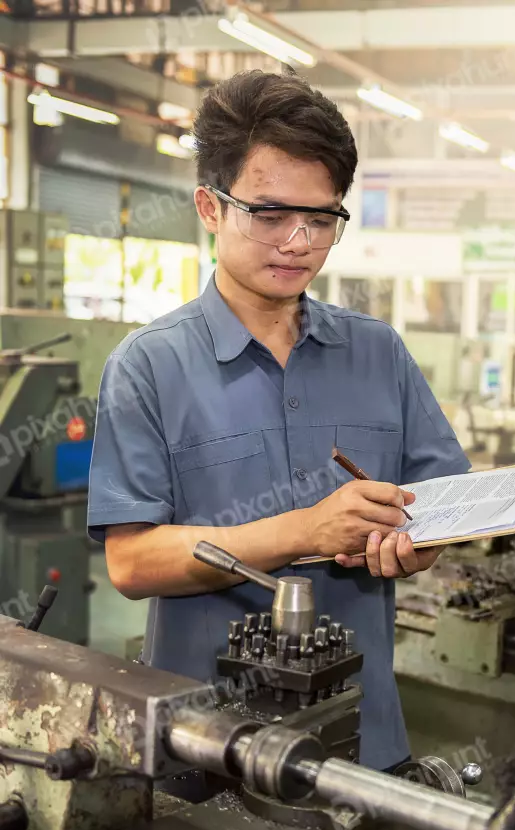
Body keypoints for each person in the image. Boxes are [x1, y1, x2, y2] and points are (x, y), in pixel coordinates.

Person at [87, 71, 470, 771]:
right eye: (269, 214)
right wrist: (304, 531)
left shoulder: (377, 353)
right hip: (206, 746)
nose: (297, 240)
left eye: (320, 219)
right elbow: (131, 561)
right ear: (210, 206)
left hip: (363, 742)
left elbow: (441, 507)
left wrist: (416, 546)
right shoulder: (148, 367)